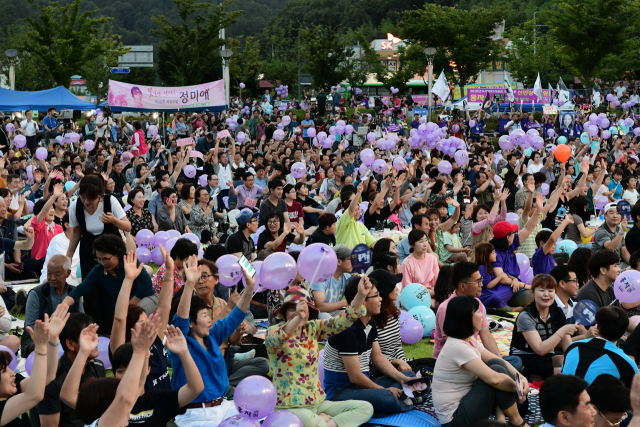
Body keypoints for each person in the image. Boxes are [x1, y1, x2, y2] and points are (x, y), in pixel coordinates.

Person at [266, 279, 374, 427]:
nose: (297, 312)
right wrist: (297, 319)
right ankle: (322, 421)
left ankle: (326, 422)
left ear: (309, 311)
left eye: (301, 308)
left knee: (365, 407)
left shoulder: (312, 328)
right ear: (284, 313)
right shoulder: (273, 331)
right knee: (312, 420)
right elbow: (278, 338)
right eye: (292, 308)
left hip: (317, 403)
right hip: (288, 408)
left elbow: (342, 321)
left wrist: (361, 295)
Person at [169, 255, 255, 426]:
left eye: (209, 315)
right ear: (191, 323)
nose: (210, 320)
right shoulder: (181, 341)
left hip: (224, 406)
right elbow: (181, 318)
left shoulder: (212, 336)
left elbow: (236, 316)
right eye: (204, 316)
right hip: (196, 414)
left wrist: (250, 288)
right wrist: (189, 284)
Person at [324, 276, 421, 418]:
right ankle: (403, 402)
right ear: (362, 301)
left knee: (409, 376)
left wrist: (401, 379)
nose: (380, 299)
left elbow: (378, 358)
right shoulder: (347, 329)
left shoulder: (369, 322)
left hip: (363, 386)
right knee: (386, 397)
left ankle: (392, 403)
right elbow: (355, 377)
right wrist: (384, 390)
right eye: (376, 296)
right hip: (341, 392)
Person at [432, 295, 530, 427]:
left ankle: (501, 420)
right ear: (466, 317)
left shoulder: (467, 339)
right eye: (478, 311)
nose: (483, 315)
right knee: (496, 372)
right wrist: (517, 389)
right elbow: (495, 379)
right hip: (455, 420)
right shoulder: (457, 346)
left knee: (497, 364)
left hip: (466, 403)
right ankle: (517, 422)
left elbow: (496, 359)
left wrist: (520, 378)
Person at [59, 317, 160, 427]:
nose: (128, 411)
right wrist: (139, 351)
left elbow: (139, 383)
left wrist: (143, 352)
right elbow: (124, 399)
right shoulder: (104, 424)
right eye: (116, 399)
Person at [66, 175, 130, 329]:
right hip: (89, 249)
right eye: (83, 197)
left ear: (100, 195)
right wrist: (67, 258)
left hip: (111, 249)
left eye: (91, 199)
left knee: (111, 289)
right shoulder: (76, 206)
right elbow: (76, 233)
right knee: (91, 290)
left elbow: (127, 226)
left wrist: (114, 220)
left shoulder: (110, 201)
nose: (87, 202)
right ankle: (95, 328)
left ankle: (112, 328)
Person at [434, 262, 523, 371]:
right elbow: (456, 347)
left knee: (515, 361)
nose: (482, 284)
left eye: (481, 280)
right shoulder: (447, 309)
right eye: (477, 281)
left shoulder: (477, 303)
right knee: (500, 369)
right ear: (463, 286)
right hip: (456, 363)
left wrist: (499, 360)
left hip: (475, 353)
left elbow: (486, 334)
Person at [62, 234, 157, 333]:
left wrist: (127, 306)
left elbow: (146, 284)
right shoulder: (98, 271)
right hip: (121, 305)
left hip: (147, 297)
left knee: (130, 317)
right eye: (99, 259)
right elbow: (80, 290)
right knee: (118, 323)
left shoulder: (130, 260)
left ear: (118, 254)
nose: (102, 263)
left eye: (106, 259)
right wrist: (62, 307)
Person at [109, 249, 173, 392]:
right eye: (142, 324)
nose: (148, 326)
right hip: (140, 412)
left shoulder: (154, 340)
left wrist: (169, 271)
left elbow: (164, 307)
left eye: (147, 321)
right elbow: (119, 318)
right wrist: (129, 279)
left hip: (163, 412)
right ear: (129, 328)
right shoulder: (122, 350)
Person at [32, 309, 104, 427]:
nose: (97, 341)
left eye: (95, 334)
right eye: (87, 336)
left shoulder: (98, 367)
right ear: (70, 344)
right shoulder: (52, 380)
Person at [480, 195, 544, 310]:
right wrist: (525, 285)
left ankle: (511, 305)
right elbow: (501, 278)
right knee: (505, 295)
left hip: (513, 286)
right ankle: (509, 307)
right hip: (501, 288)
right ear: (507, 237)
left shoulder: (510, 244)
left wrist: (539, 210)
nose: (515, 235)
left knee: (534, 296)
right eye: (512, 233)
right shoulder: (494, 253)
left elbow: (528, 228)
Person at [510, 275, 578, 380]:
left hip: (546, 355)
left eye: (551, 290)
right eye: (541, 290)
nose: (546, 295)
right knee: (555, 371)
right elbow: (540, 349)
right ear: (533, 292)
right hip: (525, 357)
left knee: (568, 362)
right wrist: (562, 331)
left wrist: (574, 360)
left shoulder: (557, 311)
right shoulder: (526, 316)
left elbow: (566, 342)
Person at [369, 269, 433, 377]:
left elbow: (397, 345)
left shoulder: (393, 313)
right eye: (393, 286)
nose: (397, 289)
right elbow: (371, 358)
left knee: (432, 363)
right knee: (420, 374)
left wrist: (403, 363)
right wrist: (397, 362)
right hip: (379, 368)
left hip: (397, 364)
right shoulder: (370, 320)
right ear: (384, 291)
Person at [562, 306, 638, 387]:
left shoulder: (573, 346)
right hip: (591, 399)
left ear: (597, 326)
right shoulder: (626, 363)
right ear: (624, 332)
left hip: (562, 397)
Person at [22, 255, 82, 357]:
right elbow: (30, 327)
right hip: (40, 339)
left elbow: (81, 321)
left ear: (68, 273)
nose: (52, 278)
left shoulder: (74, 293)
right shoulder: (36, 294)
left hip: (68, 339)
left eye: (57, 274)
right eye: (49, 273)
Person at [0, 315, 51, 427]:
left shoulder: (9, 390)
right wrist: (40, 347)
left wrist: (54, 340)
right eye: (4, 371)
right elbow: (35, 395)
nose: (12, 373)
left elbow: (48, 376)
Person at [311, 245, 353, 316]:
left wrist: (358, 281)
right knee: (325, 316)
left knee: (353, 315)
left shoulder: (346, 277)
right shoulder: (320, 277)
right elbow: (319, 307)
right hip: (318, 315)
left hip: (334, 312)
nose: (353, 262)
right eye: (350, 259)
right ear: (339, 262)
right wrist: (343, 303)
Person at [400, 229, 439, 297]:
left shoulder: (432, 259)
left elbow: (437, 283)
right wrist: (427, 292)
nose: (425, 244)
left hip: (431, 295)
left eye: (426, 240)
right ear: (412, 244)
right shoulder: (407, 263)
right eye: (421, 241)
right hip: (414, 296)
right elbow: (407, 289)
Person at [335, 183, 376, 248]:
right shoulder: (343, 220)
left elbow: (372, 242)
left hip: (361, 256)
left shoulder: (361, 225)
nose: (357, 212)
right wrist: (359, 192)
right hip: (346, 257)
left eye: (358, 209)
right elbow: (351, 209)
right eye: (355, 210)